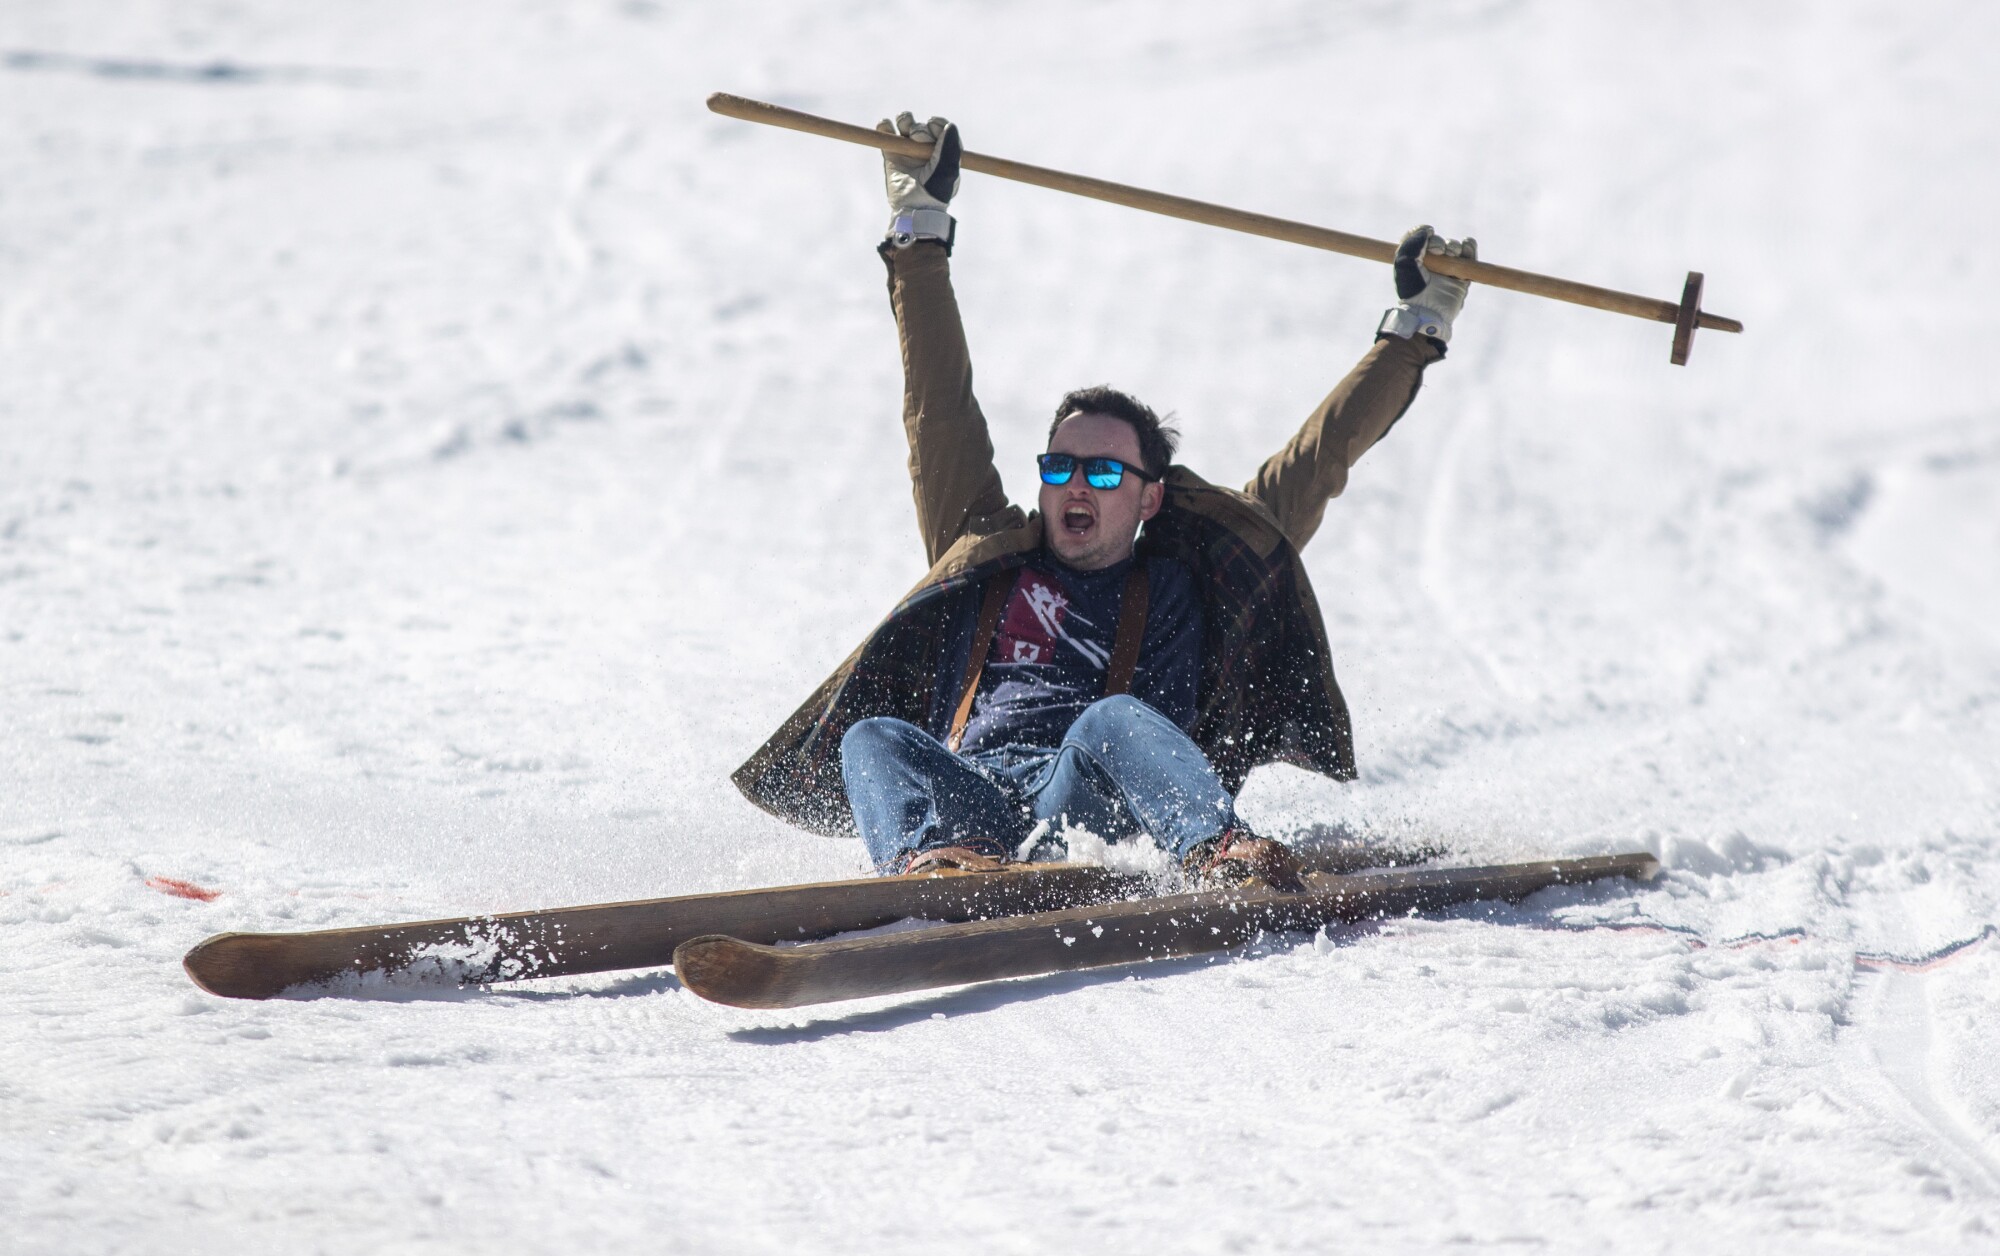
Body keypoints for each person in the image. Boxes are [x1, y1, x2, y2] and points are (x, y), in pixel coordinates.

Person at [731, 111, 1473, 887]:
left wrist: (1417, 326)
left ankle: (1219, 853)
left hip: (1094, 799)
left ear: (1150, 499)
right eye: (1060, 468)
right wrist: (919, 231)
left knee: (1108, 717)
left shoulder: (1194, 571)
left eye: (1105, 473)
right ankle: (929, 869)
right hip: (979, 805)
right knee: (872, 737)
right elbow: (937, 413)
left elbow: (1317, 461)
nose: (1077, 485)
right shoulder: (987, 552)